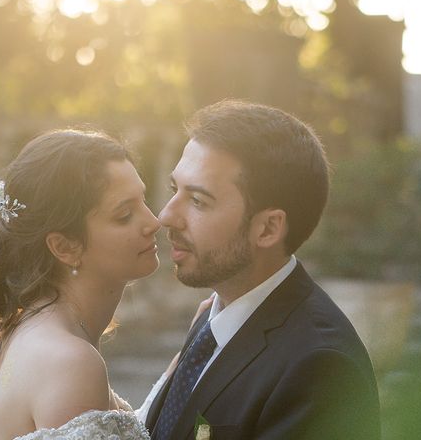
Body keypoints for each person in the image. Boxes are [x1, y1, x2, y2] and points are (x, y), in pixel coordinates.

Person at [144, 100, 381, 440]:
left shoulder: (319, 367)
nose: (166, 215)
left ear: (268, 229)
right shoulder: (214, 315)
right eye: (174, 190)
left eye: (198, 201)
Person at [0, 129, 165, 440]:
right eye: (125, 214)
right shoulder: (71, 362)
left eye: (143, 200)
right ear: (65, 247)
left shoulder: (29, 331)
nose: (154, 221)